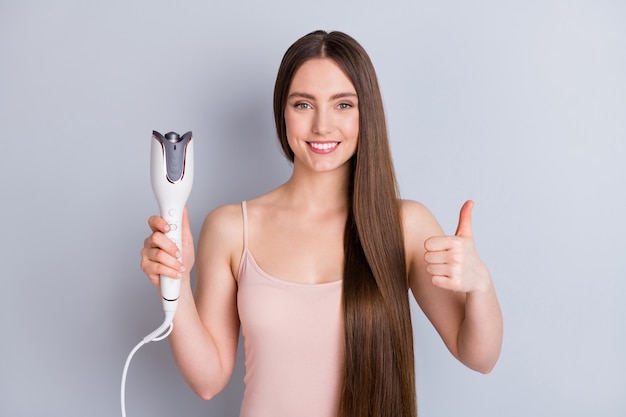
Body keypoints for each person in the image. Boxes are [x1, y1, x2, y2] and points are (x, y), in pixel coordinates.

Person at [140, 30, 503, 417]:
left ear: (367, 113)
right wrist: (171, 281)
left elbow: (479, 356)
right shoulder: (231, 228)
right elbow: (208, 381)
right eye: (303, 105)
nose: (322, 126)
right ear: (283, 111)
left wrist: (480, 284)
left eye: (343, 104)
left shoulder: (405, 225)